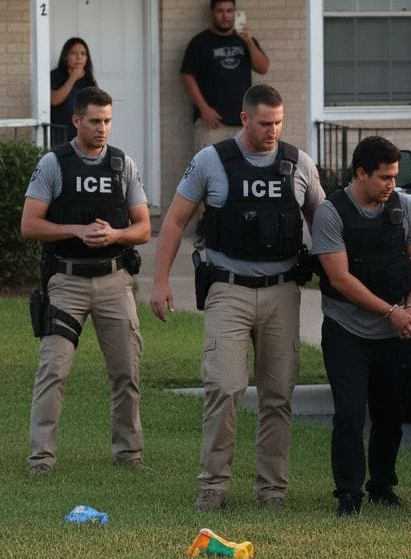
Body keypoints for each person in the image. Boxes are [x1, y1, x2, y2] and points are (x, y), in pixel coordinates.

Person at [150, 84, 325, 511]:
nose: (273, 131)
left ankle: (272, 493)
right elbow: (174, 221)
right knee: (225, 388)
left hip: (283, 290)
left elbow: (324, 221)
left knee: (279, 395)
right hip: (228, 288)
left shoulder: (298, 163)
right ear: (245, 118)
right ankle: (213, 488)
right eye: (265, 123)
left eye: (279, 123)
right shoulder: (211, 161)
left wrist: (338, 277)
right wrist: (160, 281)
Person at [21, 86, 151, 477]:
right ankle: (41, 459)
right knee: (54, 371)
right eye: (95, 121)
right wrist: (76, 230)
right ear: (76, 120)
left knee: (127, 372)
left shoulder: (121, 164)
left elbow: (144, 228)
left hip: (114, 279)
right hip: (67, 281)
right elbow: (29, 225)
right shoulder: (53, 164)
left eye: (108, 121)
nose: (103, 129)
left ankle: (129, 455)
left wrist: (115, 236)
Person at [312, 136, 411, 516]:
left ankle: (382, 485)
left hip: (393, 332)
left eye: (395, 177)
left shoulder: (403, 208)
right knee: (349, 413)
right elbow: (341, 279)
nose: (392, 185)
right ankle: (348, 493)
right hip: (347, 331)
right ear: (361, 173)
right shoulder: (331, 213)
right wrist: (391, 313)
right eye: (385, 177)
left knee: (391, 415)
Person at [181, 0, 270, 151]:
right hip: (212, 124)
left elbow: (263, 67)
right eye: (220, 11)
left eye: (229, 11)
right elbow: (186, 76)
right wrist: (204, 109)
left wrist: (249, 42)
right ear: (212, 13)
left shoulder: (245, 40)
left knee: (242, 170)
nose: (225, 16)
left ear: (235, 13)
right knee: (208, 171)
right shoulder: (200, 42)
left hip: (243, 123)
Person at [50, 38, 97, 145]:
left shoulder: (88, 79)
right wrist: (73, 77)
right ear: (66, 56)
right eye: (73, 53)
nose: (79, 57)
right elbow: (54, 100)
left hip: (84, 135)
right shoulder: (56, 75)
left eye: (83, 53)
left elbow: (96, 106)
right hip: (60, 134)